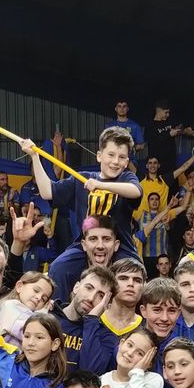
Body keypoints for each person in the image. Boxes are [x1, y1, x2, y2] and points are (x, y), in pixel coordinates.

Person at [23, 128, 142, 303]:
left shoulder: (127, 178)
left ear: (127, 161)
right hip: (84, 244)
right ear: (99, 156)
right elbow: (48, 191)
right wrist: (34, 157)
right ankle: (61, 319)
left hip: (120, 247)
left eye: (122, 157)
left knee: (136, 275)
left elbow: (136, 192)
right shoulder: (83, 179)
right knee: (58, 268)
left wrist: (102, 186)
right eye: (111, 155)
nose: (116, 162)